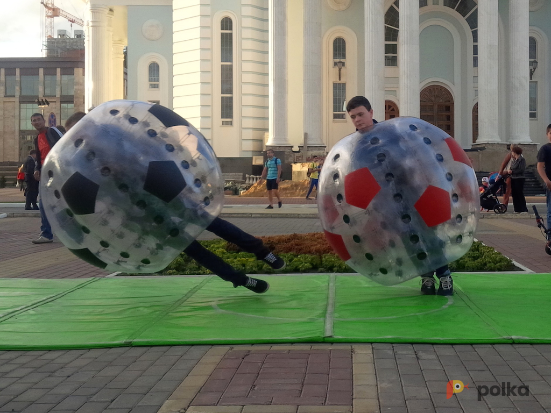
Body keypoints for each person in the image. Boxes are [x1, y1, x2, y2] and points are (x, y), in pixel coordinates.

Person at [61, 109, 284, 293]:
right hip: (138, 211)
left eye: (81, 129)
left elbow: (148, 149)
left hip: (163, 189)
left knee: (211, 222)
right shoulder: (79, 159)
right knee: (190, 247)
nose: (81, 136)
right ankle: (242, 280)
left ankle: (263, 253)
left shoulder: (116, 134)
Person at [346, 96, 453, 296]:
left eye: (360, 114)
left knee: (429, 233)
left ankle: (445, 275)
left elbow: (411, 157)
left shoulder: (391, 133)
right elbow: (360, 177)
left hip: (412, 192)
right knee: (408, 238)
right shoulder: (357, 147)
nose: (357, 120)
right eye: (353, 117)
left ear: (371, 113)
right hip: (387, 203)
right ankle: (426, 276)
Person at [30, 113, 64, 244]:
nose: (37, 122)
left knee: (64, 201)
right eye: (34, 121)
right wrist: (37, 169)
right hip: (45, 173)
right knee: (43, 202)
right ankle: (46, 234)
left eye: (39, 119)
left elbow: (64, 145)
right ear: (32, 124)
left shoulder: (53, 131)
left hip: (58, 171)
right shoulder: (37, 138)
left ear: (44, 121)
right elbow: (39, 157)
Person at [537, 124, 551, 242]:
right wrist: (546, 180)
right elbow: (540, 166)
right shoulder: (545, 149)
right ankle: (550, 237)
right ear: (547, 135)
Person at [506, 146, 528, 213]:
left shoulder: (522, 160)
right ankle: (517, 209)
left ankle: (523, 208)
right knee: (514, 194)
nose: (511, 153)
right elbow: (511, 167)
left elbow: (521, 169)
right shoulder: (513, 160)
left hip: (519, 178)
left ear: (515, 152)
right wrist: (510, 171)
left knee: (519, 193)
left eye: (512, 152)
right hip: (513, 178)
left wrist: (512, 172)